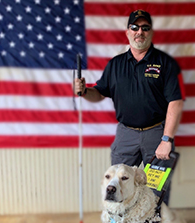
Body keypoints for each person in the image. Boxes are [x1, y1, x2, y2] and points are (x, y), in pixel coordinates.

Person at [73, 10, 184, 204]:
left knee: (157, 194)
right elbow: (99, 93)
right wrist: (84, 91)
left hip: (156, 134)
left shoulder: (165, 63)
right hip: (126, 135)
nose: (139, 32)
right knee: (118, 189)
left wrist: (166, 139)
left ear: (151, 32)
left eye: (145, 28)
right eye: (135, 27)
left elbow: (175, 101)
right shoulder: (115, 65)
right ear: (127, 32)